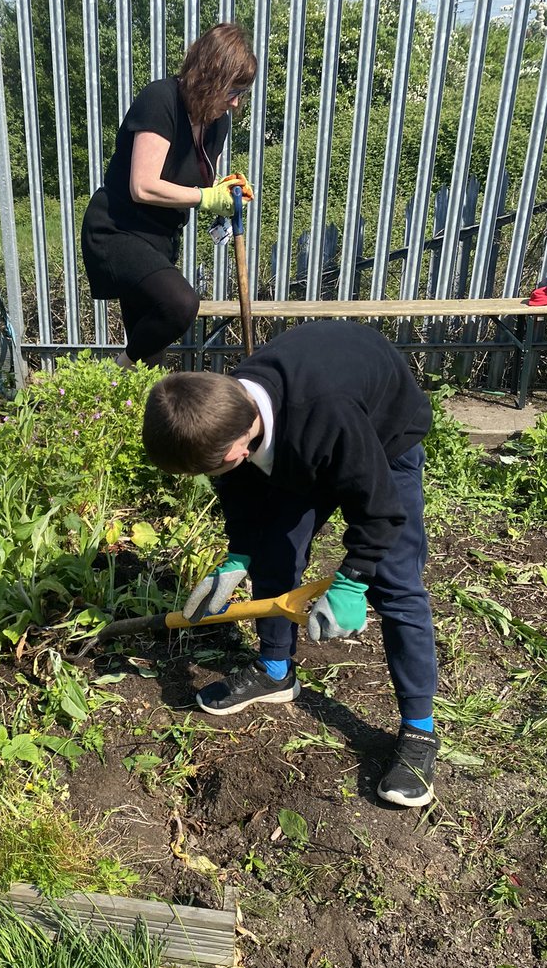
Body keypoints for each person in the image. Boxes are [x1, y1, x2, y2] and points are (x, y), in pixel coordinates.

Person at [141, 321, 439, 809]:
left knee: (397, 585)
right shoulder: (223, 409)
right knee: (275, 550)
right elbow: (240, 493)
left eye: (210, 468)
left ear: (240, 444)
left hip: (383, 439)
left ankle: (420, 732)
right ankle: (276, 670)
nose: (209, 477)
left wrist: (352, 581)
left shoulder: (328, 415)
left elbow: (381, 511)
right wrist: (238, 557)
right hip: (304, 433)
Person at [81, 22, 257, 370]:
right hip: (117, 231)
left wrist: (227, 191)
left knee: (153, 360)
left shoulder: (216, 122)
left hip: (161, 240)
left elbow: (205, 183)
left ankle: (127, 406)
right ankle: (113, 374)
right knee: (180, 305)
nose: (237, 103)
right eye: (233, 90)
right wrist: (206, 198)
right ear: (211, 76)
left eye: (243, 93)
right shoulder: (160, 100)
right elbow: (142, 185)